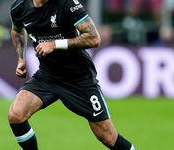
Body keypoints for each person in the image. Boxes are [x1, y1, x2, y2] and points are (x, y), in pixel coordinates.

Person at [8, 0, 136, 150]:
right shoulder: (19, 7)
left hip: (78, 77)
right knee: (15, 115)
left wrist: (56, 44)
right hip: (48, 75)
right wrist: (21, 59)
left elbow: (94, 38)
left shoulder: (67, 3)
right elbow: (17, 30)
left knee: (108, 137)